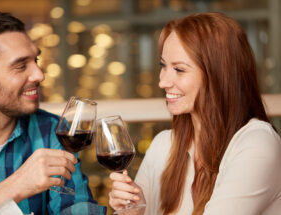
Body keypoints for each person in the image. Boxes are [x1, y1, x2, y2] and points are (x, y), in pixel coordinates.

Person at [109, 12, 281, 215]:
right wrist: (133, 212)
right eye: (163, 66)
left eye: (179, 70)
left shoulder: (257, 143)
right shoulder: (163, 146)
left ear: (217, 75)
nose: (163, 82)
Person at [0, 11, 106, 215]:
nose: (39, 75)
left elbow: (77, 209)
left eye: (36, 60)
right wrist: (16, 186)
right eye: (20, 66)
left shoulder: (53, 131)